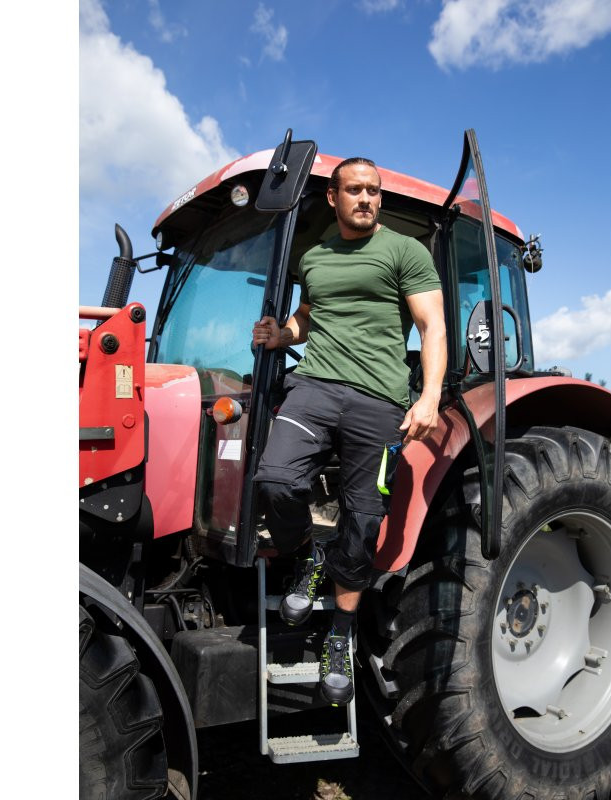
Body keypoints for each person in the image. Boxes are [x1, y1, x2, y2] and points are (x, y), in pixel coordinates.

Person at [251, 157, 446, 706]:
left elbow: (432, 325)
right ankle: (310, 555)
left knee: (363, 522)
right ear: (333, 198)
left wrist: (430, 396)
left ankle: (339, 634)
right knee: (276, 480)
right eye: (355, 190)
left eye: (373, 191)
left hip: (380, 401)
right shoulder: (314, 257)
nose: (366, 198)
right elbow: (310, 315)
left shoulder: (404, 251)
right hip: (315, 387)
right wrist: (281, 334)